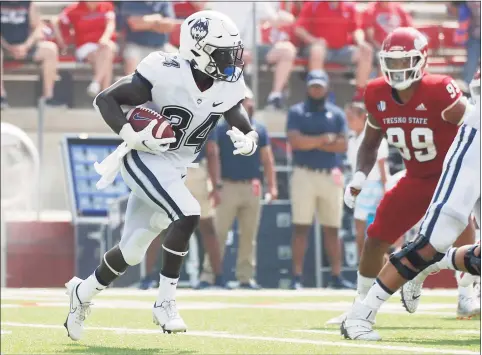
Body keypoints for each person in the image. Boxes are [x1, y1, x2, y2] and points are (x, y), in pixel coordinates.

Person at [63, 10, 258, 341]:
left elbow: (231, 107)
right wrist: (130, 133)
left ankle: (82, 292)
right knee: (189, 212)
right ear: (198, 50)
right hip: (144, 155)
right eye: (223, 53)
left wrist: (248, 134)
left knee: (133, 249)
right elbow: (106, 100)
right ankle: (165, 302)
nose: (230, 61)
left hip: (176, 167)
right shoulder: (165, 71)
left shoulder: (227, 82)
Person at [339, 28, 478, 341]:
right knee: (376, 236)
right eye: (393, 61)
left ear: (421, 60)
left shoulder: (439, 89)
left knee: (464, 232)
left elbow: (473, 128)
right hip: (416, 177)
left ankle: (466, 292)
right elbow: (370, 140)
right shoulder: (375, 93)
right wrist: (359, 176)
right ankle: (360, 306)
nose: (399, 69)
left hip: (452, 176)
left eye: (405, 62)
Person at [200, 87, 277, 289]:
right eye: (243, 100)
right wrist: (215, 186)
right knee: (218, 233)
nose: (247, 104)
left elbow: (267, 160)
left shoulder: (259, 129)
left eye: (249, 100)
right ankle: (210, 275)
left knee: (249, 235)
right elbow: (213, 156)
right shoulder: (221, 128)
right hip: (227, 186)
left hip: (252, 187)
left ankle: (245, 277)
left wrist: (272, 186)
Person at [287, 69, 354, 290]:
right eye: (313, 86)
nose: (316, 90)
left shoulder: (336, 114)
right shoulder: (297, 111)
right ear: (307, 88)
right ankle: (296, 277)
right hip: (304, 173)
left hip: (330, 175)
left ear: (327, 88)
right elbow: (295, 142)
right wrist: (324, 140)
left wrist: (311, 141)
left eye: (320, 86)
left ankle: (336, 276)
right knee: (301, 227)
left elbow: (343, 144)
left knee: (333, 229)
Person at [209, 1, 297, 109]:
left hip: (254, 49)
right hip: (226, 49)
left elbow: (275, 20)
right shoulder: (218, 3)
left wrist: (287, 16)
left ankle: (275, 97)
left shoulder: (258, 2)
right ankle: (227, 102)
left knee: (287, 51)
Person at [294, 2, 373, 102]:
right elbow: (299, 29)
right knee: (317, 50)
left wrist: (360, 42)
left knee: (366, 51)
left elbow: (356, 29)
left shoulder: (349, 6)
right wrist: (314, 41)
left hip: (341, 49)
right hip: (318, 48)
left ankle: (360, 95)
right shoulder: (313, 4)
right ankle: (317, 92)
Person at [345, 102, 390, 259]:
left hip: (376, 191)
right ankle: (363, 274)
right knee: (360, 235)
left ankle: (379, 273)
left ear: (363, 117)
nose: (348, 121)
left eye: (351, 118)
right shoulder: (351, 140)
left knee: (374, 236)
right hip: (359, 191)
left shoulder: (377, 140)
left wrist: (386, 192)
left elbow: (383, 169)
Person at [1, 1, 63, 108]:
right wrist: (8, 47)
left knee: (50, 50)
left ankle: (48, 98)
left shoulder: (28, 4)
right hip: (4, 47)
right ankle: (1, 97)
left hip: (26, 46)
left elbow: (38, 28)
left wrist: (26, 46)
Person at [53, 1, 117, 97]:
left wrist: (105, 37)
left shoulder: (107, 6)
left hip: (105, 43)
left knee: (107, 49)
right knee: (106, 58)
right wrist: (62, 42)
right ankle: (105, 95)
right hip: (85, 46)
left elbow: (110, 24)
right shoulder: (74, 9)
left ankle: (96, 83)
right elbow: (56, 21)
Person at [121, 1, 180, 75]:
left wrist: (145, 22)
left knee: (181, 60)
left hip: (161, 46)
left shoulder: (163, 2)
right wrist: (158, 19)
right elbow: (135, 24)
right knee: (131, 56)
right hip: (137, 46)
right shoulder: (130, 2)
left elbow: (170, 25)